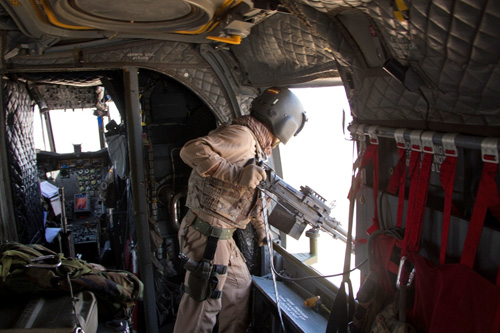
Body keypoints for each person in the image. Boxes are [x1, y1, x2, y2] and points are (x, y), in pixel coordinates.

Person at [173, 87, 307, 332]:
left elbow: (250, 193)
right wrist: (236, 174)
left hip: (222, 236)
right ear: (282, 124)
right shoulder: (242, 137)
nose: (279, 143)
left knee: (237, 290)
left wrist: (261, 228)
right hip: (208, 235)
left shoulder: (257, 147)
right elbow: (190, 150)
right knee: (202, 307)